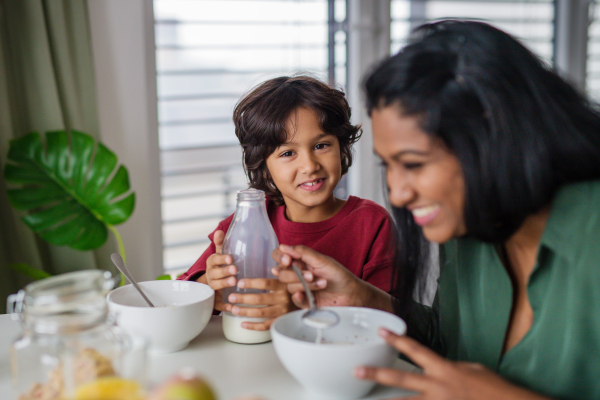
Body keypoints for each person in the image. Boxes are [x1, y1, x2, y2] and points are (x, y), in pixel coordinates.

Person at [273, 21, 600, 399]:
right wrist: (362, 300)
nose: (396, 193)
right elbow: (450, 345)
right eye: (388, 166)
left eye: (413, 164)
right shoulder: (465, 227)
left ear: (494, 135)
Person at [178, 75, 395, 331]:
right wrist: (210, 282)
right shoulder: (246, 223)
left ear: (342, 148)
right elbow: (182, 296)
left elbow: (388, 318)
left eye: (321, 145)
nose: (309, 165)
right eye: (288, 153)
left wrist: (301, 307)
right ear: (264, 167)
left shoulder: (371, 224)